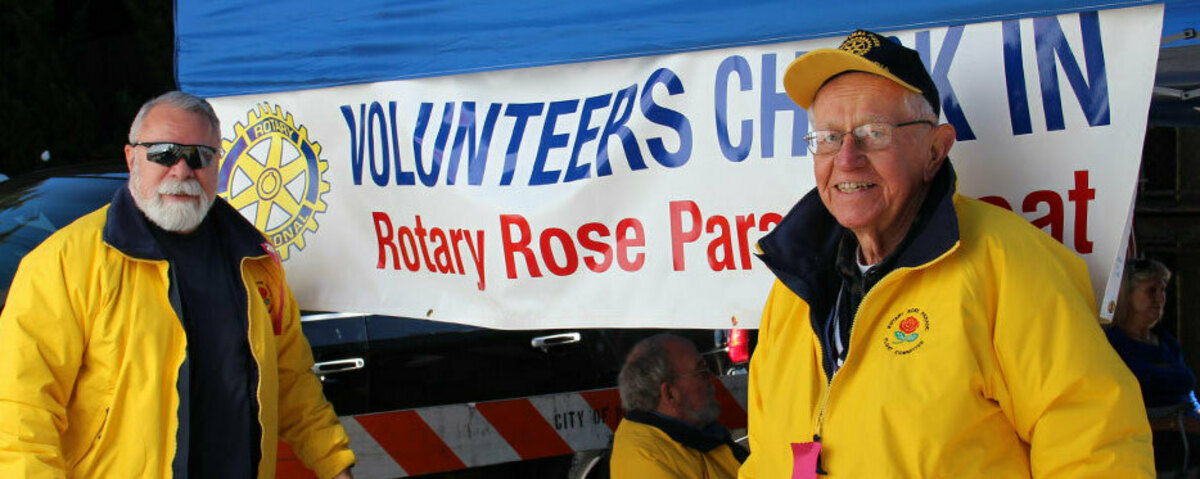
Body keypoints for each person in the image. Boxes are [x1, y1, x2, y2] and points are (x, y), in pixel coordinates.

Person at [741, 30, 1153, 477]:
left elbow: (1095, 447)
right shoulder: (793, 290)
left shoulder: (1006, 263)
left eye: (873, 133)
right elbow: (765, 457)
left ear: (935, 150)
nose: (846, 158)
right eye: (828, 137)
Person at [0, 91, 355, 478]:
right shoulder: (65, 264)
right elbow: (19, 416)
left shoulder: (255, 262)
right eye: (164, 153)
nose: (182, 170)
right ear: (131, 157)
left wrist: (335, 464)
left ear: (217, 164)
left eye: (199, 155)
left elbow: (291, 382)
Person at [1106, 258, 1200, 473]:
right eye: (1151, 291)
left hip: (1188, 443)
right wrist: (1175, 424)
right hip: (1149, 450)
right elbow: (1112, 413)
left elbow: (1188, 395)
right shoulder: (1112, 345)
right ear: (1127, 295)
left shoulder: (1167, 343)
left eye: (1163, 290)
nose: (1160, 299)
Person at [610, 333, 747, 478]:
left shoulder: (696, 435)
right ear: (670, 394)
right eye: (702, 371)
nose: (712, 378)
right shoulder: (646, 459)